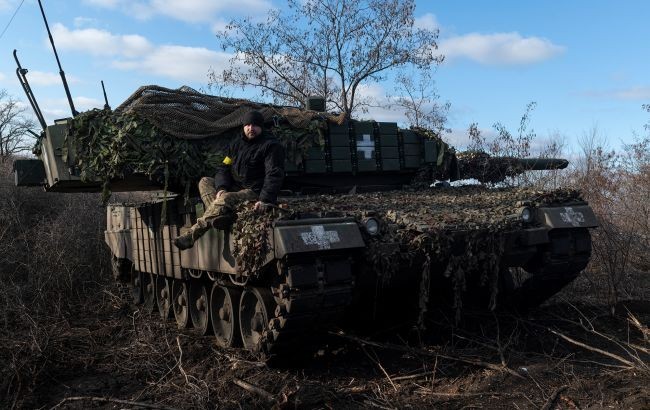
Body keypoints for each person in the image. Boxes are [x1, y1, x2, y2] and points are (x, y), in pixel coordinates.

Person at [173, 110, 285, 250]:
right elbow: (223, 167)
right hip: (235, 187)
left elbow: (274, 174)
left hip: (254, 191)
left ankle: (191, 235)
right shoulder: (236, 145)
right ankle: (222, 216)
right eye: (248, 125)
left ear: (261, 127)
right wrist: (221, 187)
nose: (251, 128)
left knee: (225, 198)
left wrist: (265, 199)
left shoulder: (270, 146)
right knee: (205, 181)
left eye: (255, 125)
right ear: (243, 126)